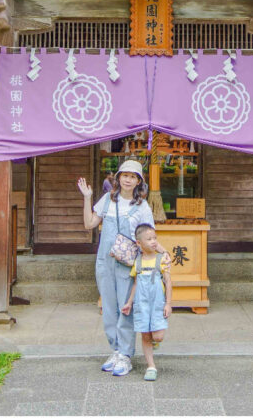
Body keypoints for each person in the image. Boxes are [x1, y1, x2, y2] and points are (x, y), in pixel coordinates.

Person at [78, 159, 155, 377]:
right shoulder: (107, 200)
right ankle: (115, 350)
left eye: (133, 176)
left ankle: (126, 355)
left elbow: (149, 236)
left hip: (127, 265)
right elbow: (89, 224)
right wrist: (86, 198)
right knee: (109, 308)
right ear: (118, 177)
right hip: (105, 261)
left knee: (125, 307)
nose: (128, 179)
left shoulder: (142, 207)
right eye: (125, 175)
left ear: (139, 181)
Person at [121, 223, 173, 382]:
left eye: (155, 238)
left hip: (157, 304)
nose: (153, 241)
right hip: (141, 304)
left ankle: (155, 342)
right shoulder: (137, 262)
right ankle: (151, 366)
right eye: (149, 239)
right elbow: (136, 284)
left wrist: (168, 303)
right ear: (139, 243)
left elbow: (168, 282)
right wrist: (129, 302)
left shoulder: (161, 259)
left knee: (158, 336)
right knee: (145, 334)